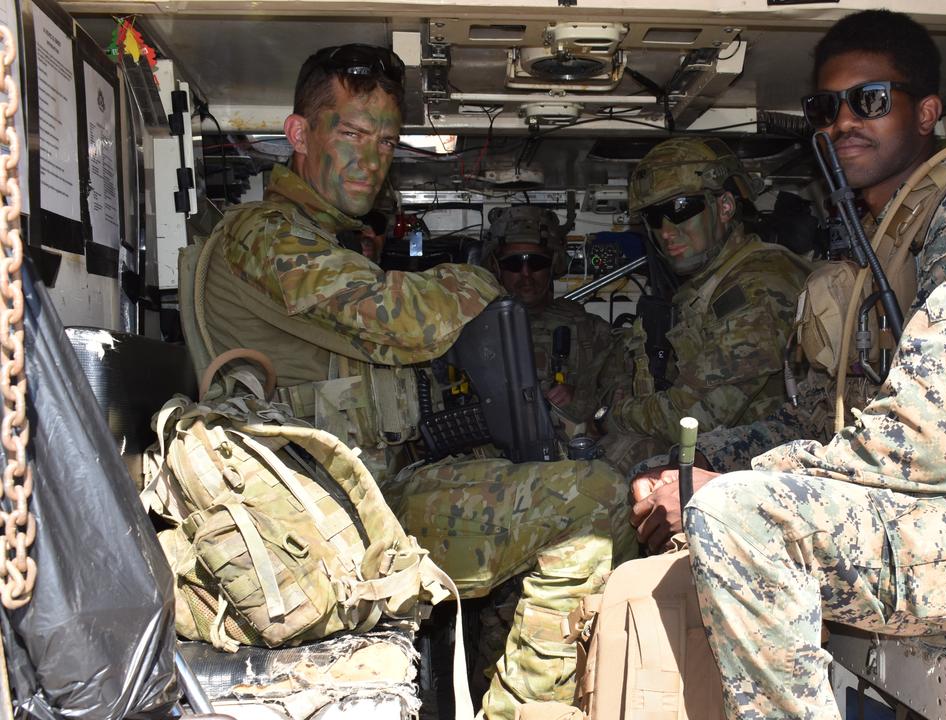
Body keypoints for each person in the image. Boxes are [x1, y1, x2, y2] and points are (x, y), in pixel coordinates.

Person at [665, 12, 946, 719]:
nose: (843, 121)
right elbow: (818, 419)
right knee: (693, 482)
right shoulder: (877, 244)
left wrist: (738, 483)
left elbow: (941, 442)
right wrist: (689, 466)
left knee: (738, 516)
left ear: (928, 111)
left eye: (869, 100)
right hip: (927, 524)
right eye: (826, 107)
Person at [188, 43, 634, 719]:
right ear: (300, 135)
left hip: (363, 494)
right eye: (352, 135)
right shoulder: (263, 234)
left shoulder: (322, 238)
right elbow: (399, 319)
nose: (372, 159)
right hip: (314, 522)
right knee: (592, 502)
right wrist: (476, 277)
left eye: (388, 141)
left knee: (580, 486)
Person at [597, 137, 810, 473]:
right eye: (654, 216)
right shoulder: (708, 284)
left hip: (776, 462)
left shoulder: (759, 286)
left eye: (681, 208)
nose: (667, 231)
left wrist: (615, 414)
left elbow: (694, 419)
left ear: (724, 207)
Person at [487, 204, 620, 424]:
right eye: (513, 263)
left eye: (537, 262)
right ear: (496, 267)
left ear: (554, 264)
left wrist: (580, 401)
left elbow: (619, 407)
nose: (526, 274)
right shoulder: (474, 331)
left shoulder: (593, 332)